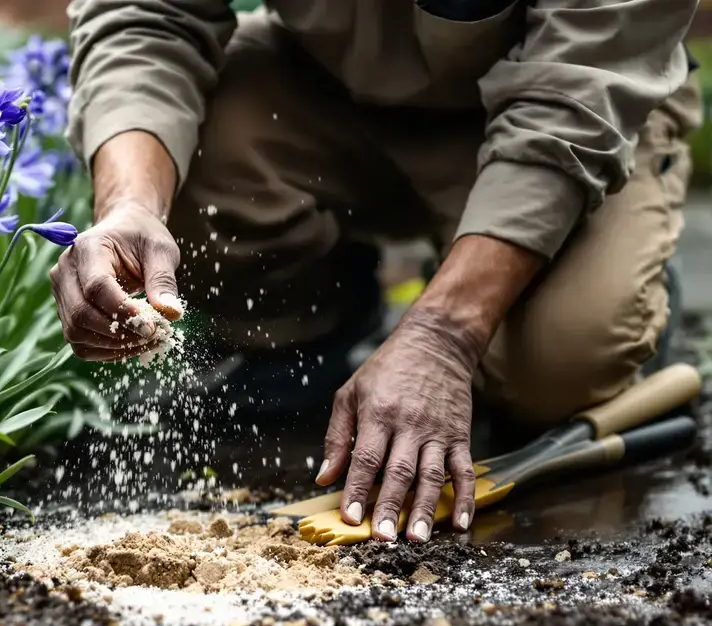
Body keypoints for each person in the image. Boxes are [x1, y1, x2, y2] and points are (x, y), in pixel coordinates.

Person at [49, 0, 703, 543]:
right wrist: (131, 204)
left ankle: (598, 285)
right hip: (328, 93)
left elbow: (579, 87)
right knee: (202, 163)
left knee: (563, 356)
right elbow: (146, 13)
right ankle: (319, 328)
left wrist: (443, 334)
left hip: (562, 118)